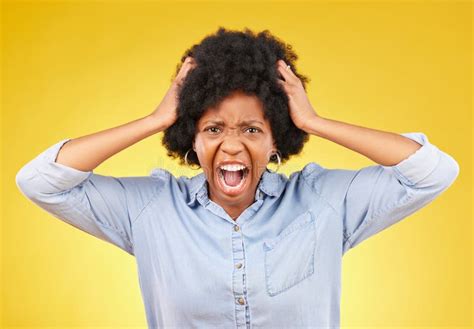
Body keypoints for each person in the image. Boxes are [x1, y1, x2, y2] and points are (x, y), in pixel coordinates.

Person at [15, 27, 459, 328]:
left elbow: (432, 172)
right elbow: (39, 180)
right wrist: (156, 118)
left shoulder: (324, 200)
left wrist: (315, 121)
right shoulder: (150, 209)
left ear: (276, 141)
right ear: (191, 138)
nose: (231, 146)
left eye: (252, 129)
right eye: (213, 129)